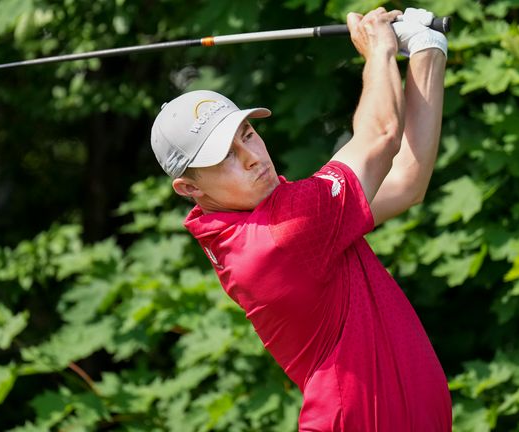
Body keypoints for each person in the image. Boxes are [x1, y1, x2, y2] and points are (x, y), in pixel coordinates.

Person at [150, 7, 450, 431]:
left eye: (248, 135)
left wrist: (426, 50)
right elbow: (381, 137)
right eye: (225, 157)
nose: (253, 158)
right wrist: (379, 50)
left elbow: (406, 182)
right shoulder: (283, 232)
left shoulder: (274, 220)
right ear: (190, 189)